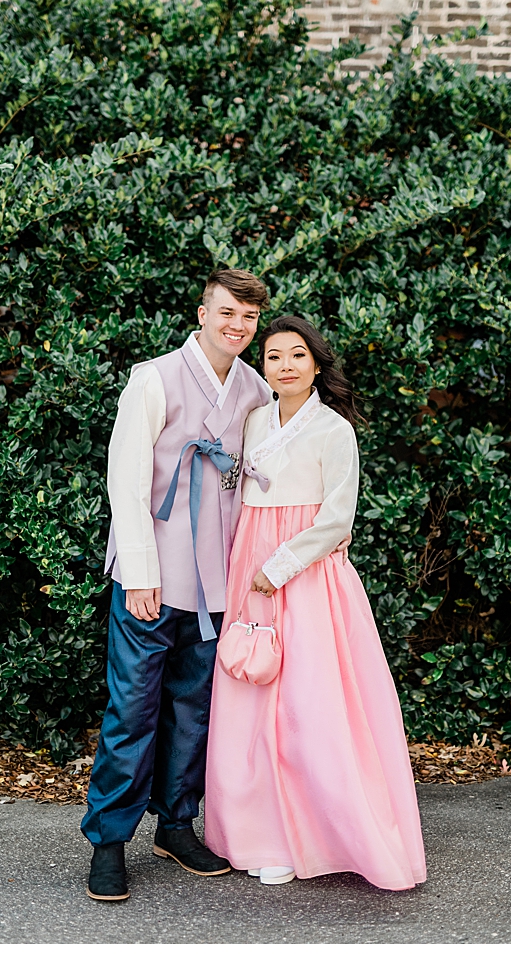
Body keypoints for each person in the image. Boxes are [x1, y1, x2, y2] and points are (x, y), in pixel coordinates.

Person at [204, 315, 426, 890]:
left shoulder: (334, 430)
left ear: (317, 365)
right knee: (251, 692)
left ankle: (315, 836)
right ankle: (257, 833)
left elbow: (335, 520)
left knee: (308, 702)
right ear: (264, 367)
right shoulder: (253, 422)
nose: (285, 366)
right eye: (274, 356)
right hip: (248, 563)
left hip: (302, 572)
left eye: (297, 355)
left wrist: (275, 569)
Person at [84, 269, 274, 901]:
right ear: (202, 313)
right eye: (226, 314)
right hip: (155, 578)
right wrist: (138, 572)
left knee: (195, 710)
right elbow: (126, 481)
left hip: (217, 583)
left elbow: (260, 482)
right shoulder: (154, 378)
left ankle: (175, 823)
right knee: (133, 709)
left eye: (247, 318)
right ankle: (110, 840)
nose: (237, 327)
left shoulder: (254, 389)